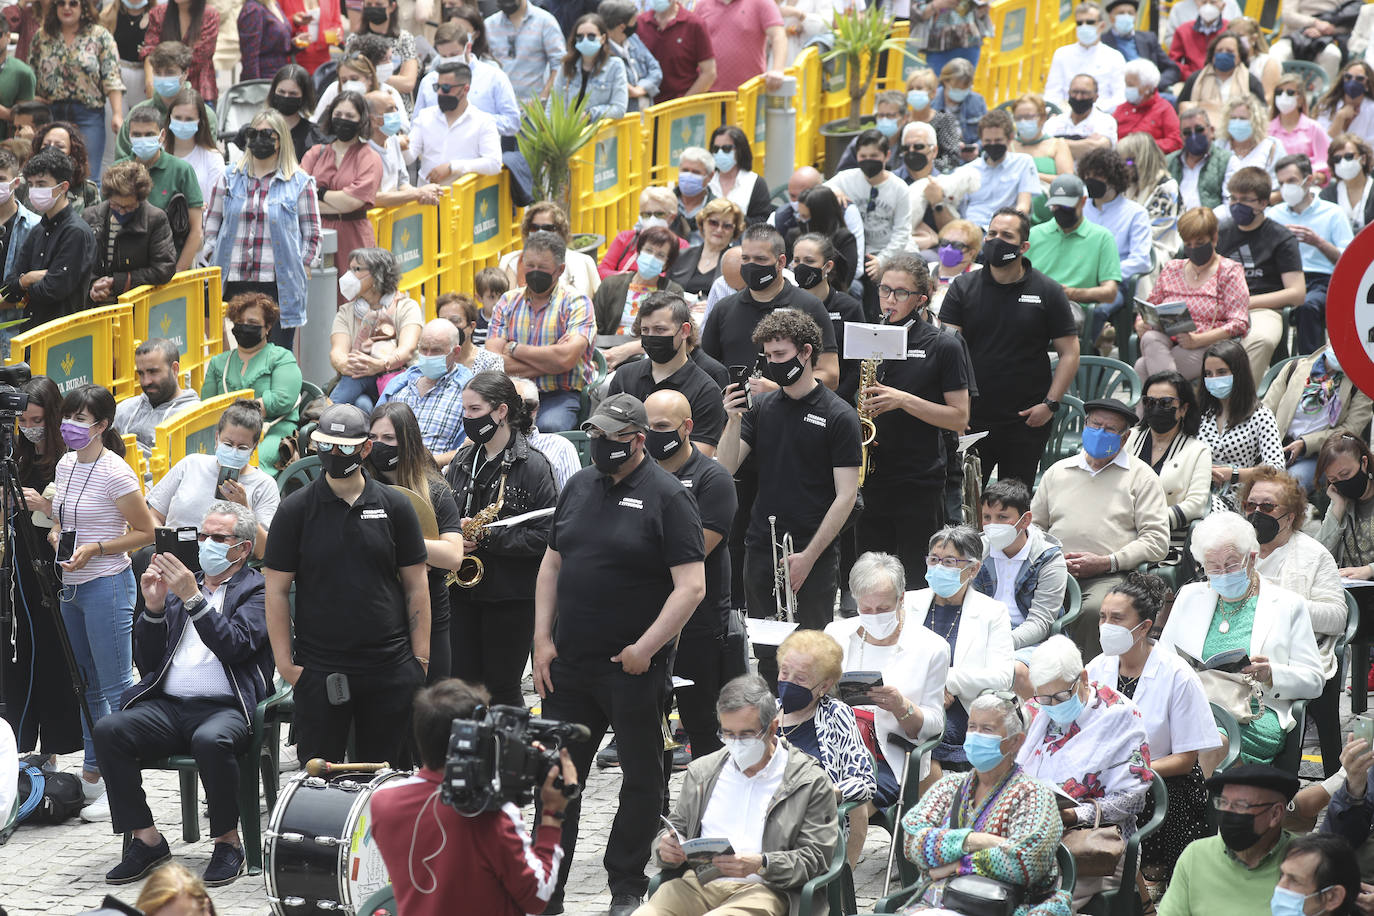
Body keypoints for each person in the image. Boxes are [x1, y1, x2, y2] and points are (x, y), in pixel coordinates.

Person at [532, 392, 705, 916]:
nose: (598, 445)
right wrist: (541, 639)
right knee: (556, 782)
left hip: (633, 668)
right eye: (594, 435)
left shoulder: (669, 496)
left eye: (609, 437)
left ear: (637, 440)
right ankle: (548, 888)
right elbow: (552, 565)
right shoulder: (579, 485)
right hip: (569, 665)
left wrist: (645, 648)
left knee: (643, 777)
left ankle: (625, 883)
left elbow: (690, 587)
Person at [92, 499, 266, 886]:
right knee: (108, 730)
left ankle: (227, 842)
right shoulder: (181, 587)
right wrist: (153, 609)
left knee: (210, 740)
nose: (206, 542)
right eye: (202, 534)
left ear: (242, 548)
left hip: (226, 706)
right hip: (169, 705)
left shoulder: (258, 589)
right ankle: (147, 838)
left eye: (218, 537)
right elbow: (148, 662)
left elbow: (237, 645)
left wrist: (193, 599)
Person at [264, 403, 430, 765]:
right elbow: (275, 590)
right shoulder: (295, 510)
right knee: (320, 783)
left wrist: (419, 659)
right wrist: (287, 666)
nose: (334, 455)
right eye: (325, 446)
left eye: (345, 448)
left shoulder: (395, 506)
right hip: (320, 668)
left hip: (390, 666)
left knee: (390, 782)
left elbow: (417, 585)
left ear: (365, 448)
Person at [717, 310, 858, 684]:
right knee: (765, 655)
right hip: (763, 545)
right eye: (767, 357)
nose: (772, 365)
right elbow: (725, 467)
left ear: (806, 352)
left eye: (780, 355)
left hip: (814, 549)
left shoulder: (839, 415)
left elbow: (846, 496)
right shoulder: (761, 408)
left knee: (812, 655)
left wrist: (809, 556)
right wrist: (732, 420)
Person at [371, 679, 574, 916]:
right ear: (476, 738)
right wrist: (552, 813)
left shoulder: (382, 801)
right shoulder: (491, 815)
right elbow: (537, 898)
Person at [642, 673, 838, 916]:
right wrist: (666, 849)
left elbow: (816, 858)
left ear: (772, 728)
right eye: (727, 734)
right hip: (698, 884)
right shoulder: (704, 772)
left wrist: (762, 863)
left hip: (766, 889)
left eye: (746, 735)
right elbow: (676, 829)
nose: (735, 743)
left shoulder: (808, 780)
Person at [49, 384, 156, 821]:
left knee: (114, 686)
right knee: (84, 681)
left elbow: (145, 532)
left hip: (107, 584)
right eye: (68, 418)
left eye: (81, 420)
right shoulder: (65, 463)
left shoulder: (117, 473)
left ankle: (123, 782)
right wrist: (57, 536)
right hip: (70, 585)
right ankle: (93, 770)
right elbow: (60, 520)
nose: (71, 428)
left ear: (103, 426)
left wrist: (97, 548)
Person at [1157, 510, 1323, 764]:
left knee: (1209, 740)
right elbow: (1164, 661)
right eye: (1213, 566)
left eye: (1232, 564)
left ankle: (1203, 804)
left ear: (1252, 558)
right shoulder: (1190, 596)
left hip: (1255, 713)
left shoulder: (1287, 605)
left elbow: (1314, 680)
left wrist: (1271, 675)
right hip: (1194, 709)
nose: (1222, 573)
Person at [1086, 574, 1219, 884]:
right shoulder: (1097, 668)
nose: (1106, 625)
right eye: (1103, 617)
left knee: (1153, 805)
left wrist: (1133, 771)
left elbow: (1186, 760)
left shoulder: (1177, 676)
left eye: (1117, 619)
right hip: (1107, 777)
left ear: (1144, 626)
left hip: (1165, 782)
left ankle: (1149, 878)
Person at [939, 207, 1078, 486]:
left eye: (1006, 235)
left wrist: (1050, 404)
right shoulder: (962, 287)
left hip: (1026, 419)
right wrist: (956, 409)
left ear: (1024, 246)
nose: (996, 239)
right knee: (966, 504)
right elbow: (946, 351)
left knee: (1014, 505)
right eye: (991, 233)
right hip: (973, 418)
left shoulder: (1048, 291)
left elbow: (1070, 352)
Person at [900, 690, 1073, 914]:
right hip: (941, 900)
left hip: (1008, 906)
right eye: (972, 727)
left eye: (987, 729)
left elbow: (1026, 861)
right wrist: (976, 840)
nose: (975, 735)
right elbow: (912, 841)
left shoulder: (1033, 794)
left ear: (1015, 742)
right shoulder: (949, 786)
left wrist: (956, 865)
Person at [440, 371, 555, 702]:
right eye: (464, 410)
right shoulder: (463, 459)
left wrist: (490, 539)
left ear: (501, 411)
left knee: (502, 689)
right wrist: (453, 535)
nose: (467, 418)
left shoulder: (533, 466)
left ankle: (507, 754)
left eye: (474, 410)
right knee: (461, 688)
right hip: (461, 593)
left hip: (510, 596)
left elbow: (547, 535)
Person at [854, 255, 968, 584]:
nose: (890, 300)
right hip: (870, 478)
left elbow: (960, 418)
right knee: (871, 579)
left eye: (900, 293)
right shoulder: (865, 339)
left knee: (916, 581)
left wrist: (903, 400)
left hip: (918, 481)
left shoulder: (943, 345)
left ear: (921, 299)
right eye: (885, 290)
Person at [1020, 635, 1152, 906]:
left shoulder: (1120, 716)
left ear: (1082, 677)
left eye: (1060, 696)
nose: (1052, 706)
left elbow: (1133, 799)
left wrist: (1074, 814)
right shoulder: (1037, 712)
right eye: (1044, 697)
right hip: (1032, 834)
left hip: (1096, 842)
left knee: (1038, 899)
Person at [1031, 397, 1169, 653]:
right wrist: (1050, 558)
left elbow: (1157, 540)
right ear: (1084, 426)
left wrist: (1108, 561)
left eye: (1109, 430)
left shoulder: (1141, 477)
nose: (1099, 433)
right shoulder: (1058, 472)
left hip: (1109, 575)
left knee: (1097, 612)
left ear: (1125, 438)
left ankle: (1089, 682)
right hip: (1052, 569)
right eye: (1095, 425)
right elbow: (1035, 527)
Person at [645, 388, 737, 758]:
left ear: (687, 427)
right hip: (647, 618)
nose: (653, 433)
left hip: (698, 623)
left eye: (662, 426)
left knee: (704, 730)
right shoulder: (636, 475)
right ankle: (657, 809)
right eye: (646, 426)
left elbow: (694, 551)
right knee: (649, 730)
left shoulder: (712, 479)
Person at [1241, 467, 1347, 776]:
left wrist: (1283, 601)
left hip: (1290, 655)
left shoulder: (1314, 555)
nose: (1256, 513)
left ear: (1290, 515)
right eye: (1250, 506)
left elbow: (1337, 618)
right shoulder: (1237, 549)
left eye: (1268, 507)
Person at [824, 550, 948, 807]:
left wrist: (901, 706)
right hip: (831, 746)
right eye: (865, 609)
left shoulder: (930, 647)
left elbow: (935, 724)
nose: (873, 616)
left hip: (887, 755)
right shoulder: (836, 634)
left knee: (840, 802)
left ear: (901, 599)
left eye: (883, 608)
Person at [1, 376, 80, 772]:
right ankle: (21, 743)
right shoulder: (19, 455)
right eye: (23, 421)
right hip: (20, 569)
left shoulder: (71, 459)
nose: (29, 428)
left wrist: (45, 509)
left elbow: (92, 518)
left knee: (56, 657)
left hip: (56, 564)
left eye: (36, 420)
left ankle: (61, 746)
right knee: (20, 654)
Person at [202, 109, 321, 351]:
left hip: (278, 282)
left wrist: (303, 263)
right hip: (233, 280)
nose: (259, 139)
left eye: (267, 134)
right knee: (235, 353)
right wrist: (210, 255)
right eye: (253, 133)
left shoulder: (299, 182)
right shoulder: (229, 177)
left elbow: (312, 232)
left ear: (281, 140)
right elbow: (212, 224)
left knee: (276, 354)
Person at [903, 525, 1016, 775]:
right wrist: (930, 688)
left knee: (926, 747)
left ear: (973, 569)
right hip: (909, 699)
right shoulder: (908, 602)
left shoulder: (992, 612)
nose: (939, 567)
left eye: (950, 561)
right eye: (934, 559)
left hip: (960, 708)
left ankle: (928, 809)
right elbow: (893, 657)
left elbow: (1002, 677)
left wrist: (948, 681)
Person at [366, 402, 465, 684]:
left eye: (388, 439)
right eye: (373, 438)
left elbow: (453, 556)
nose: (379, 446)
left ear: (407, 443)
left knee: (430, 707)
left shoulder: (435, 490)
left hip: (430, 613)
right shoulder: (359, 487)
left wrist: (402, 543)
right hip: (377, 612)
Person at [772, 629, 876, 864]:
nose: (788, 683)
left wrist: (822, 793)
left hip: (812, 826)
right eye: (784, 672)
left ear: (824, 685)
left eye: (800, 679)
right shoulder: (765, 711)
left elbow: (864, 782)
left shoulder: (835, 715)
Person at [486, 233, 597, 433]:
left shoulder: (576, 303)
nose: (535, 272)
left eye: (543, 268)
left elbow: (566, 358)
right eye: (530, 266)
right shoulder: (507, 301)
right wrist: (553, 362)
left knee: (548, 427)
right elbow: (493, 361)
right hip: (513, 392)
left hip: (560, 394)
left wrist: (513, 348)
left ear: (560, 269)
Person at [146, 398, 278, 561]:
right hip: (174, 557)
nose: (234, 451)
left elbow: (263, 551)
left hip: (223, 567)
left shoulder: (264, 485)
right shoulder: (191, 464)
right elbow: (155, 514)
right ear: (217, 438)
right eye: (228, 444)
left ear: (254, 448)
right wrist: (164, 543)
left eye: (242, 447)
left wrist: (244, 509)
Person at [1157, 764, 1299, 915]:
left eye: (1240, 805)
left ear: (1275, 814)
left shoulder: (1305, 861)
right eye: (1223, 803)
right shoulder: (1196, 855)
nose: (1228, 813)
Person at [1134, 206, 1250, 382]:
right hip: (1166, 339)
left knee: (1142, 367)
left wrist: (1198, 340)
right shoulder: (1172, 268)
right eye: (1188, 244)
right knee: (1150, 337)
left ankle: (1167, 398)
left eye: (1200, 243)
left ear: (1214, 238)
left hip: (1207, 345)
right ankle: (1172, 397)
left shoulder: (1229, 271)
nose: (1194, 248)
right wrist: (1141, 323)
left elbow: (1239, 322)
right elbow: (1150, 305)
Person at [607, 293, 725, 455]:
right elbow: (606, 437)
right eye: (645, 330)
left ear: (684, 331)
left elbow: (701, 455)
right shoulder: (624, 376)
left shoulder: (705, 390)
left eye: (660, 330)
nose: (651, 337)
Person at [1218, 166, 1306, 380]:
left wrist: (1248, 302)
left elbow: (1297, 293)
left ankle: (1240, 402)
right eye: (1233, 198)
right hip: (1220, 308)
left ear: (1263, 203)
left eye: (1246, 199)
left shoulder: (1281, 237)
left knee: (1261, 339)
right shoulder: (1220, 233)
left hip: (1263, 309)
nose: (1237, 205)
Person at [201, 293, 301, 478]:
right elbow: (206, 406)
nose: (245, 326)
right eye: (240, 322)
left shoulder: (281, 357)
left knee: (253, 461)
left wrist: (237, 413)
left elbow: (283, 399)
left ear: (268, 327)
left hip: (272, 431)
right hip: (226, 435)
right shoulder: (218, 362)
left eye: (252, 323)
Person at [28, 0, 122, 182]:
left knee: (88, 176)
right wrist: (33, 97)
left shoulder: (100, 35)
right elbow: (30, 73)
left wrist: (117, 113)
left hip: (88, 114)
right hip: (51, 113)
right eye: (61, 3)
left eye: (73, 3)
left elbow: (112, 77)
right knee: (47, 174)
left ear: (83, 7)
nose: (67, 8)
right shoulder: (42, 36)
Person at [1270, 153, 1353, 355]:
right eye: (1281, 183)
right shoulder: (1273, 214)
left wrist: (1318, 242)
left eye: (1291, 181)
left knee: (1308, 307)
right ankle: (1279, 371)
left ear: (1308, 180)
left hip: (1321, 280)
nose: (1286, 188)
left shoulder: (1333, 213)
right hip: (1282, 279)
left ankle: (1312, 369)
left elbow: (1348, 262)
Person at [1, 147, 95, 323]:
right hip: (31, 331)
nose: (35, 190)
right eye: (31, 184)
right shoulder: (39, 229)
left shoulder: (76, 232)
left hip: (61, 337)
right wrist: (28, 279)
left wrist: (23, 285)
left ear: (63, 187)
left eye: (42, 184)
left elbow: (53, 290)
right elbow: (8, 288)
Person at [1264, 345, 1372, 493]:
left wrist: (1305, 443)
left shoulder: (1360, 383)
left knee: (1284, 489)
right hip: (1275, 446)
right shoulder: (1296, 367)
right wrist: (1271, 446)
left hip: (1318, 456)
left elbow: (1351, 430)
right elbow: (1265, 410)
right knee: (1251, 483)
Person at [825, 129, 911, 315]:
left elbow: (902, 231)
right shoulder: (845, 179)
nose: (868, 160)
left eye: (874, 155)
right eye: (863, 156)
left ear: (886, 155)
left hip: (884, 253)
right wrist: (833, 191)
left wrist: (883, 259)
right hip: (853, 252)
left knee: (878, 283)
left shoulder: (899, 188)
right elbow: (820, 189)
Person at [1028, 173, 1123, 340]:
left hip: (1072, 307)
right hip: (1033, 303)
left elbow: (1110, 292)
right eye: (1056, 206)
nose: (1061, 211)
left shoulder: (1101, 237)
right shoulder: (1034, 235)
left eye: (1067, 207)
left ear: (1083, 202)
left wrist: (1071, 293)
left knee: (1059, 317)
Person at [329, 247, 422, 414]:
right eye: (350, 269)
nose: (349, 275)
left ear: (377, 274)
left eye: (357, 269)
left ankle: (321, 419)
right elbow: (337, 353)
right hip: (359, 383)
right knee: (361, 403)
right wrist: (353, 365)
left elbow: (407, 350)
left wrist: (380, 365)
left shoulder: (407, 307)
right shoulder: (346, 311)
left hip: (399, 379)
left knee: (360, 394)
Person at [1126, 371, 1213, 549]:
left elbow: (1195, 505)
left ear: (1183, 409)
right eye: (1149, 402)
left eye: (1165, 403)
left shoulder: (1198, 451)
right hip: (1119, 529)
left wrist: (1149, 520)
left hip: (1165, 537)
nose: (1156, 408)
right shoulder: (1127, 438)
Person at [1198, 338, 1285, 512]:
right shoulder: (1198, 414)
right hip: (1197, 490)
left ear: (1238, 373)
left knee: (1206, 508)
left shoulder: (1260, 416)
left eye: (1221, 372)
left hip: (1240, 496)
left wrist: (1234, 475)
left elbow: (1276, 468)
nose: (1214, 379)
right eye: (1208, 374)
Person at [1079, 147, 1153, 345]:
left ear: (1114, 179)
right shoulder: (1079, 207)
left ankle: (1087, 365)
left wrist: (1104, 274)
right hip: (1077, 276)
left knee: (1097, 311)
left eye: (1098, 176)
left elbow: (1141, 261)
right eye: (1088, 175)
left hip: (1115, 285)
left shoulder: (1135, 213)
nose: (1091, 180)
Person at [117, 107, 203, 274]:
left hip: (171, 272)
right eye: (137, 135)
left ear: (162, 135)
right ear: (129, 137)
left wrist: (176, 274)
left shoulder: (181, 170)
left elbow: (196, 231)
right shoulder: (118, 170)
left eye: (149, 134)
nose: (143, 140)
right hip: (129, 275)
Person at [415, 19, 520, 140]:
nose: (449, 59)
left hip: (481, 153)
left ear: (468, 48)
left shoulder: (494, 77)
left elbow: (513, 122)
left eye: (454, 54)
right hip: (437, 153)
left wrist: (473, 120)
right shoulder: (429, 82)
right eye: (443, 56)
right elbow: (417, 125)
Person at [114, 41, 218, 162]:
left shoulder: (205, 114)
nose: (163, 78)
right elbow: (121, 160)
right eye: (158, 72)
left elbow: (210, 159)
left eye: (170, 72)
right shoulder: (138, 114)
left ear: (185, 73)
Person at [790, 232, 863, 400]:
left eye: (809, 261)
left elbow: (856, 368)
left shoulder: (849, 308)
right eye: (796, 261)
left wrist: (834, 402)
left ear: (828, 266)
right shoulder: (786, 304)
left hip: (836, 400)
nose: (801, 267)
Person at [593, 226, 685, 347]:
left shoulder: (672, 291)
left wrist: (628, 351)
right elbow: (594, 327)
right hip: (608, 349)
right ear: (638, 252)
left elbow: (672, 336)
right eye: (648, 250)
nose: (652, 258)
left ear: (666, 264)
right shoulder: (610, 284)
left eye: (660, 255)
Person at [949, 110, 1039, 227]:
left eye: (998, 140)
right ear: (981, 140)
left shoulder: (1023, 163)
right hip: (972, 228)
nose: (992, 144)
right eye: (987, 141)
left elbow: (1023, 207)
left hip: (1004, 229)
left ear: (1010, 138)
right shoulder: (967, 170)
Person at [113, 338, 200, 457]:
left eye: (153, 372)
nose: (145, 381)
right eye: (141, 374)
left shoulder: (192, 416)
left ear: (174, 369)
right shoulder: (125, 409)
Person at [498, 202, 601, 297]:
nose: (540, 232)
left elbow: (599, 305)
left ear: (560, 231)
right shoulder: (510, 262)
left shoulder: (583, 262)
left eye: (547, 228)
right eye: (534, 227)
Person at [1120, 131, 1184, 273]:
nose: (1123, 167)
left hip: (1157, 249)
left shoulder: (1166, 187)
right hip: (1127, 245)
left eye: (1128, 161)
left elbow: (1153, 231)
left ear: (1143, 160)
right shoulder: (1128, 186)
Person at [1178, 32, 1265, 130]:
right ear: (1212, 55)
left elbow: (1261, 113)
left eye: (1229, 51)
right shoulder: (1196, 79)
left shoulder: (1251, 82)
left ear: (1240, 56)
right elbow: (1181, 107)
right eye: (1219, 50)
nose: (1223, 54)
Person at [548, 14, 627, 121]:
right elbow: (552, 104)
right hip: (567, 135)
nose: (585, 40)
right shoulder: (567, 65)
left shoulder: (615, 66)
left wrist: (589, 114)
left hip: (600, 134)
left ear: (603, 38)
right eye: (580, 37)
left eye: (591, 36)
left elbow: (619, 109)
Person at [140, 0, 219, 105]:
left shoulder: (210, 15)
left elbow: (199, 57)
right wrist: (150, 82)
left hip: (199, 91)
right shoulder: (158, 13)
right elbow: (150, 51)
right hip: (162, 92)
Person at [694, 0, 783, 94]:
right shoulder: (702, 5)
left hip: (748, 92)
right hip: (706, 92)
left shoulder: (761, 2)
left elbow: (778, 35)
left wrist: (777, 69)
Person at [635, 0, 714, 104]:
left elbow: (709, 73)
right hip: (647, 107)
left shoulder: (694, 24)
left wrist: (684, 103)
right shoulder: (639, 23)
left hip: (683, 108)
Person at [600, 187, 688, 279]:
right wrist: (629, 279)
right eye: (646, 214)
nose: (652, 218)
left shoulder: (680, 246)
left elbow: (676, 279)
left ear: (672, 217)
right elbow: (602, 270)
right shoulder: (625, 237)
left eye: (659, 214)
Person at [485, 0, 565, 101]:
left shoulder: (545, 21)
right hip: (497, 106)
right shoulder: (488, 25)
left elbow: (560, 64)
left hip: (533, 109)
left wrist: (542, 100)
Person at [512, 375, 580, 490]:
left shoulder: (560, 448)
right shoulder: (484, 448)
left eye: (515, 406)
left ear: (534, 410)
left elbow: (573, 501)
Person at [164, 88, 224, 210]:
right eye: (178, 117)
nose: (182, 123)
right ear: (169, 117)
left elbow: (215, 208)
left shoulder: (213, 158)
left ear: (200, 121)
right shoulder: (157, 153)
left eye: (189, 119)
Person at [669, 197, 742, 299]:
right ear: (703, 223)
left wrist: (712, 304)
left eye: (727, 226)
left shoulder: (737, 263)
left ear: (734, 231)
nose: (719, 229)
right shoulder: (680, 256)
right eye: (713, 223)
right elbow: (666, 292)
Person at [343, 0, 419, 96]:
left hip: (396, 104)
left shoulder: (404, 39)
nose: (373, 8)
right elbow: (347, 75)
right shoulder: (354, 39)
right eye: (369, 4)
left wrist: (367, 76)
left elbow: (408, 83)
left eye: (379, 4)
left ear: (392, 7)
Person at [1167, 107, 1236, 210]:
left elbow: (1230, 205)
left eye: (1199, 130)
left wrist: (1201, 222)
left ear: (1211, 131)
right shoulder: (1168, 162)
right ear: (1181, 136)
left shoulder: (1228, 161)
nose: (1194, 136)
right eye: (1187, 132)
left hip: (1212, 224)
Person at [26, 122, 101, 215]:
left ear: (73, 152)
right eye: (46, 145)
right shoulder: (23, 183)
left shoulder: (88, 190)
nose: (51, 150)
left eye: (59, 146)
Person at [598, 0, 660, 111]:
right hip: (624, 119)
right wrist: (632, 90)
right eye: (634, 22)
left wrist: (641, 88)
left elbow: (655, 69)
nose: (636, 25)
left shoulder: (633, 39)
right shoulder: (600, 50)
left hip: (645, 114)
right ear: (622, 26)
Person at [1102, 0, 1181, 87]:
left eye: (1130, 13)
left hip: (1149, 91)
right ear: (1111, 17)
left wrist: (1154, 84)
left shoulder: (1149, 38)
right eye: (1121, 13)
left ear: (1136, 16)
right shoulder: (1102, 42)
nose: (1126, 16)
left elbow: (1172, 69)